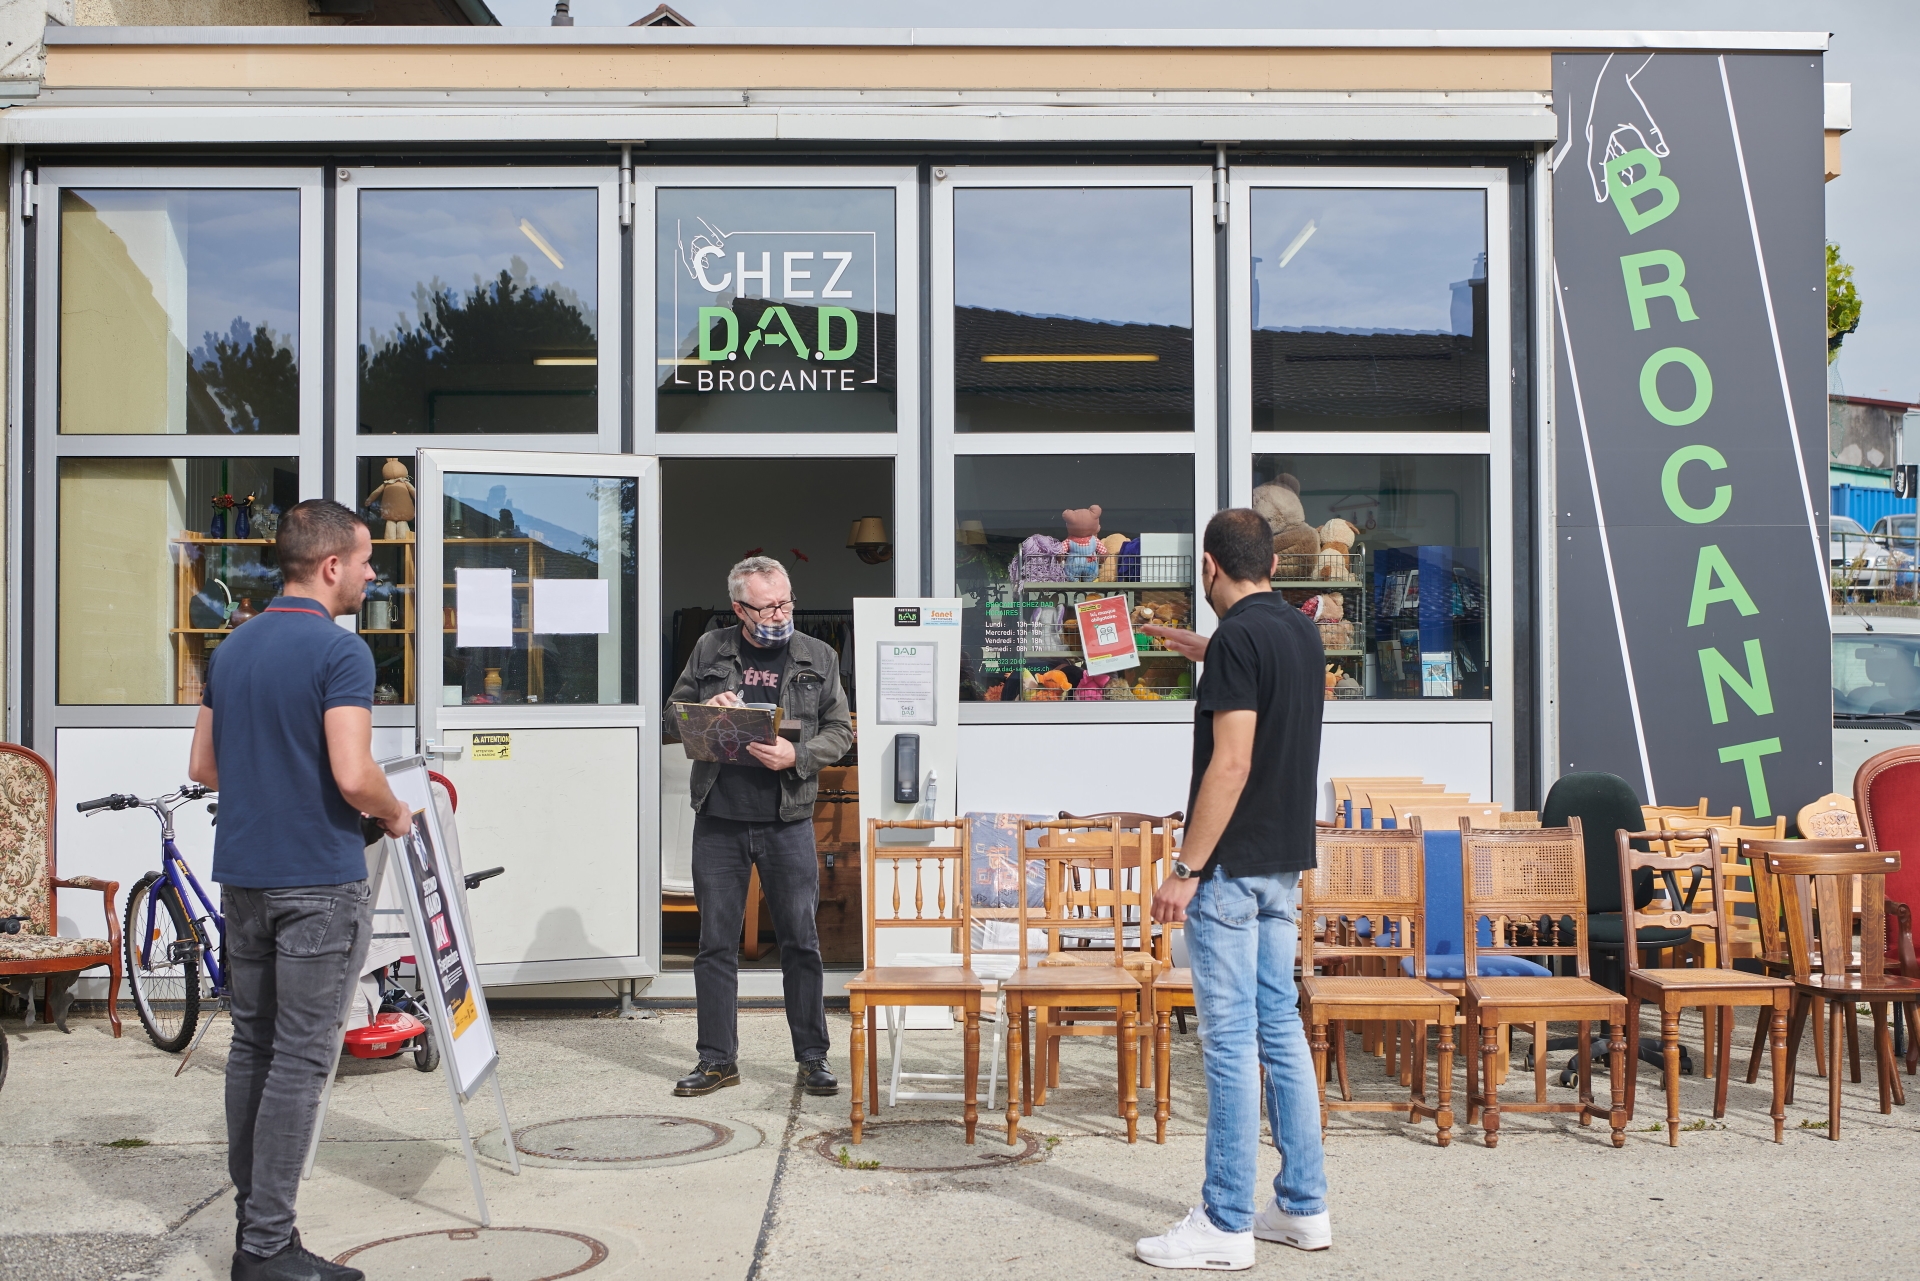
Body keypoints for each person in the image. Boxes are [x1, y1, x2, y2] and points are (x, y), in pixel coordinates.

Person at [188, 499, 412, 1281]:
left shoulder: (233, 647)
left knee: (253, 1045)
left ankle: (257, 1223)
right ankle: (267, 1246)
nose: (371, 571)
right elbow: (353, 776)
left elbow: (205, 768)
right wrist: (394, 810)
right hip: (317, 880)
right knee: (302, 1059)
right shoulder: (340, 652)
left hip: (244, 874)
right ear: (328, 566)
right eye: (364, 559)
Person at [1133, 507, 1330, 1271]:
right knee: (1280, 1030)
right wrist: (1207, 650)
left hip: (1229, 872)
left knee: (1228, 1043)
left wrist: (1184, 870)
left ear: (1209, 567)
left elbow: (1232, 764)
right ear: (1272, 567)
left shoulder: (1240, 644)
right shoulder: (1298, 632)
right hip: (1283, 864)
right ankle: (1303, 1206)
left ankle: (1224, 1221)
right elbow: (1263, 673)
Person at [667, 555, 853, 1098]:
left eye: (787, 600)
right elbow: (669, 718)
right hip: (719, 819)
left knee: (801, 942)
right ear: (739, 608)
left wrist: (798, 754)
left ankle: (812, 1058)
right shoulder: (709, 649)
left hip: (787, 820)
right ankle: (717, 1060)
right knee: (715, 945)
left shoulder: (819, 654)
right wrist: (705, 705)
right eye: (770, 605)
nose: (782, 611)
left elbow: (841, 731)